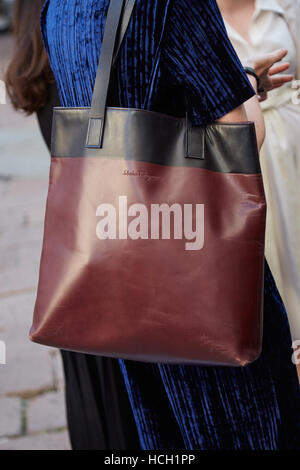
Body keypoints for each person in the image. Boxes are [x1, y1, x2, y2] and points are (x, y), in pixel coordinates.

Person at [40, 0, 300, 450]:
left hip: (121, 287)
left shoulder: (56, 6)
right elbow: (238, 142)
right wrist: (243, 87)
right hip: (201, 289)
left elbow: (117, 113)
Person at [5, 0, 140, 450]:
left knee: (96, 401)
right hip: (122, 242)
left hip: (75, 251)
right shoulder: (82, 50)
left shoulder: (35, 63)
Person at [217, 0, 300, 381]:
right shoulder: (198, 15)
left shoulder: (283, 5)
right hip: (247, 154)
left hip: (295, 138)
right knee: (268, 262)